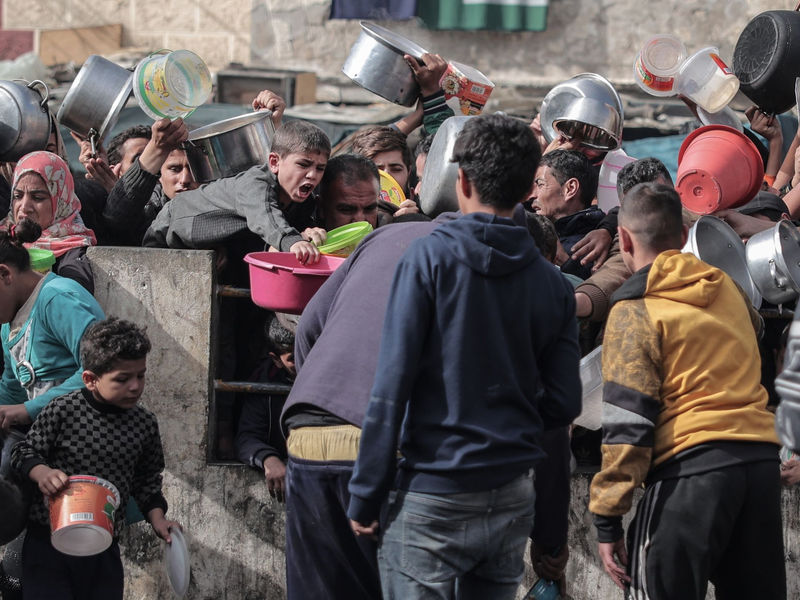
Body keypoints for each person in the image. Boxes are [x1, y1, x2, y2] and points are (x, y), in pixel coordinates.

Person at [347, 115, 582, 599]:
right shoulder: (554, 285)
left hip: (435, 485)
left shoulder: (427, 258)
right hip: (511, 493)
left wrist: (365, 495)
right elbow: (562, 404)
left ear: (463, 181)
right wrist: (505, 413)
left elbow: (390, 389)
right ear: (524, 189)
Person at [589, 183, 784, 600]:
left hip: (691, 472)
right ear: (682, 237)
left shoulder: (633, 310)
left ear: (623, 239)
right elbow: (756, 334)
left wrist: (608, 517)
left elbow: (629, 424)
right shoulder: (729, 291)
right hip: (760, 464)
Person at [11, 317, 179, 600]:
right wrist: (40, 472)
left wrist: (158, 518)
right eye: (123, 379)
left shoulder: (144, 424)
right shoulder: (63, 410)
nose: (135, 386)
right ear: (90, 379)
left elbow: (147, 480)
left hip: (104, 547)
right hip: (47, 543)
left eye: (141, 375)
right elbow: (24, 451)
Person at [144, 120, 329, 264]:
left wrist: (310, 235)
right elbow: (265, 217)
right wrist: (293, 242)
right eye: (303, 165)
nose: (312, 175)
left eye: (320, 168)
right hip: (166, 232)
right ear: (274, 162)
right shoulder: (254, 183)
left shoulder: (304, 202)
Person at [0, 218, 104, 430]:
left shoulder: (57, 299)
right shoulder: (8, 323)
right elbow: (12, 389)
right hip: (50, 437)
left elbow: (99, 366)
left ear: (4, 274)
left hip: (90, 437)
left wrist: (28, 410)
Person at [574, 157, 674, 321]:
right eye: (639, 207)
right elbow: (615, 272)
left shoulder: (710, 221)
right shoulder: (630, 236)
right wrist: (580, 300)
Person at [0, 152, 97, 293]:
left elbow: (73, 296)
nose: (24, 207)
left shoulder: (71, 254)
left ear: (61, 201)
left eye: (38, 197)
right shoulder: (5, 237)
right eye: (17, 196)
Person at [235, 314, 295, 501]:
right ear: (276, 359)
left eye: (308, 350)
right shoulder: (263, 385)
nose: (305, 361)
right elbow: (246, 438)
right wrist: (269, 459)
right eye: (293, 357)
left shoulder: (330, 379)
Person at [531, 149, 602, 279]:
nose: (532, 195)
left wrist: (566, 263)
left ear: (570, 188)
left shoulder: (599, 246)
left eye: (540, 185)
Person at [316, 155, 380, 231]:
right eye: (347, 210)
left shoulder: (393, 228)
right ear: (321, 208)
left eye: (370, 209)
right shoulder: (303, 237)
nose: (360, 220)